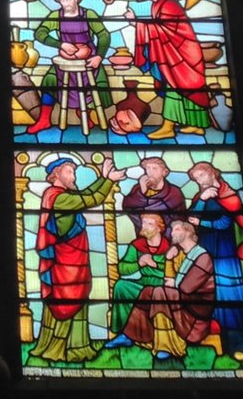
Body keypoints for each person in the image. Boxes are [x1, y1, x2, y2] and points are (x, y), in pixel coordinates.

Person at [28, 154, 118, 364]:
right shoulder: (59, 197)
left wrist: (104, 178)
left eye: (74, 171)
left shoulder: (60, 195)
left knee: (75, 300)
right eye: (70, 171)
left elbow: (85, 194)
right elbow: (91, 199)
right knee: (67, 299)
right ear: (56, 174)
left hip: (74, 259)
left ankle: (76, 347)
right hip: (65, 264)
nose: (73, 175)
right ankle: (57, 349)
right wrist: (109, 181)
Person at [110, 217, 216, 361]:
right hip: (175, 295)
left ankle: (165, 345)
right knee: (141, 290)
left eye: (176, 229)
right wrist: (141, 263)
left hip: (195, 309)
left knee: (157, 292)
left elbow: (185, 286)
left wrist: (160, 266)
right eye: (143, 222)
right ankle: (129, 334)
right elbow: (172, 280)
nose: (171, 233)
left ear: (188, 231)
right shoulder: (141, 246)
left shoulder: (199, 256)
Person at [128, 0, 218, 140]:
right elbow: (162, 31)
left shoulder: (168, 5)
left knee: (176, 89)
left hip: (181, 54)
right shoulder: (158, 5)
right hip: (174, 53)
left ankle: (169, 127)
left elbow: (169, 31)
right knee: (183, 87)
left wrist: (137, 23)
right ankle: (195, 124)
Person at [188, 161, 243, 359]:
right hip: (207, 251)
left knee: (229, 296)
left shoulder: (228, 196)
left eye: (201, 176)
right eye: (196, 179)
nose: (199, 181)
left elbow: (224, 222)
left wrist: (201, 221)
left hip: (226, 253)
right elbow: (191, 218)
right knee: (210, 295)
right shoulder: (201, 197)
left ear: (213, 174)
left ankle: (240, 345)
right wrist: (202, 200)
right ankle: (218, 341)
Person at [25, 0, 111, 135]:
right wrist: (60, 44)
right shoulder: (56, 16)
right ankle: (44, 119)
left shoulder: (88, 14)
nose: (66, 3)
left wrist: (99, 56)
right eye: (62, 0)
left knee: (94, 85)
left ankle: (84, 113)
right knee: (49, 80)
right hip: (65, 62)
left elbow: (104, 35)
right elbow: (40, 33)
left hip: (89, 62)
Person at [104, 211, 171, 344]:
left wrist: (155, 264)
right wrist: (139, 263)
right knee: (121, 286)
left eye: (150, 224)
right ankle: (124, 333)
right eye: (144, 222)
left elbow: (177, 271)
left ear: (159, 228)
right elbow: (122, 268)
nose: (144, 226)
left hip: (163, 287)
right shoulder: (137, 245)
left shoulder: (169, 247)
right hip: (142, 284)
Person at [120, 156, 185, 235]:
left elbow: (179, 219)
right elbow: (128, 206)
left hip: (169, 236)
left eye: (154, 168)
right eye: (148, 168)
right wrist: (142, 193)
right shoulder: (138, 189)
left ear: (164, 172)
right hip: (144, 235)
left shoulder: (174, 192)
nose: (150, 172)